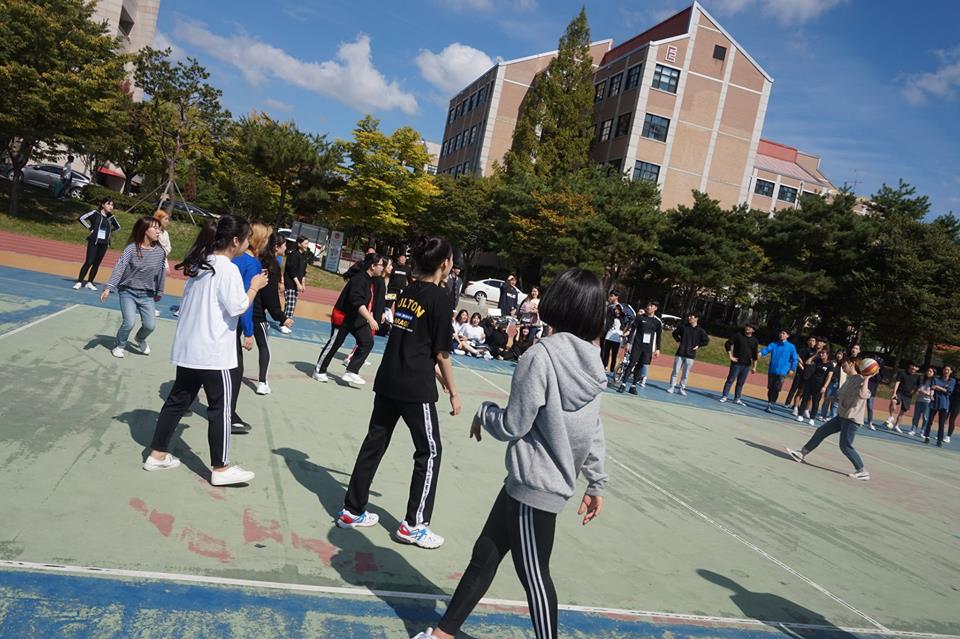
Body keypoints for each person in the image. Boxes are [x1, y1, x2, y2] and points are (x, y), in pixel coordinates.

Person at [409, 268, 607, 639]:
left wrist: (484, 413)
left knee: (534, 576)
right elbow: (594, 430)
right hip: (525, 483)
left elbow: (514, 424)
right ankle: (443, 634)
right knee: (484, 555)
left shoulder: (541, 356)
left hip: (536, 487)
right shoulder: (594, 363)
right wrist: (596, 482)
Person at [337, 236, 460, 550]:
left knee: (374, 443)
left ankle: (351, 510)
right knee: (429, 451)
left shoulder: (407, 292)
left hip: (389, 378)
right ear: (445, 264)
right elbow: (442, 353)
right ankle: (414, 525)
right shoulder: (441, 298)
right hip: (414, 386)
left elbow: (416, 343)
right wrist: (454, 391)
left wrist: (438, 375)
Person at [142, 216, 268, 486]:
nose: (247, 244)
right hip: (214, 352)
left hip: (190, 347)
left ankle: (157, 453)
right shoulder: (227, 269)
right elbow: (237, 307)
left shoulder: (202, 265)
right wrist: (254, 288)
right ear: (235, 241)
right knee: (220, 408)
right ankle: (221, 469)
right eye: (245, 239)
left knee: (177, 401)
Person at [787, 355, 874, 481]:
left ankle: (862, 470)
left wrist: (867, 378)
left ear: (852, 364)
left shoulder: (860, 379)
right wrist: (833, 398)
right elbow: (842, 394)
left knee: (845, 446)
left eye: (844, 364)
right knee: (821, 431)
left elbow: (863, 395)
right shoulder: (850, 379)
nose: (842, 366)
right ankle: (802, 453)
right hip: (841, 417)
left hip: (851, 419)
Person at [312, 252, 384, 385]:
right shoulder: (359, 279)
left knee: (367, 342)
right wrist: (370, 319)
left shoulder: (370, 280)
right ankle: (319, 370)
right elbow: (357, 302)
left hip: (357, 319)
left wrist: (375, 314)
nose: (382, 268)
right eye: (381, 265)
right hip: (343, 317)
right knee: (335, 344)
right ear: (373, 266)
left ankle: (351, 371)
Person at [99, 216, 166, 358]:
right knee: (129, 322)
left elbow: (161, 273)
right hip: (127, 292)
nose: (158, 231)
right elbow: (120, 268)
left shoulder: (160, 252)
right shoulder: (131, 249)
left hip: (147, 295)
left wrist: (159, 290)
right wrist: (108, 287)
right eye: (154, 228)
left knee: (150, 326)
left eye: (159, 228)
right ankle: (120, 345)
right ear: (144, 230)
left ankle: (140, 339)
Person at [230, 222, 270, 433]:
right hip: (233, 322)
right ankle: (229, 414)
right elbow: (246, 300)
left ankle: (181, 400)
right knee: (235, 371)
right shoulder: (252, 264)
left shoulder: (232, 257)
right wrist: (248, 331)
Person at [253, 233, 294, 395]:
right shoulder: (271, 266)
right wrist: (282, 317)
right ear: (276, 247)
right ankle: (262, 382)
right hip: (256, 312)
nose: (286, 248)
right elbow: (270, 297)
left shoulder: (258, 259)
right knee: (264, 346)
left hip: (242, 308)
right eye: (284, 245)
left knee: (233, 346)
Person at [73, 198, 121, 290]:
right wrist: (90, 228)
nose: (111, 207)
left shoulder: (111, 217)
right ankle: (79, 282)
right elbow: (81, 218)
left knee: (96, 263)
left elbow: (118, 227)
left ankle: (90, 282)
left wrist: (110, 231)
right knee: (89, 262)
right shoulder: (95, 213)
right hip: (93, 241)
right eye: (108, 204)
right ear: (103, 205)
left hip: (104, 243)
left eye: (112, 205)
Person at [617, 301, 662, 394]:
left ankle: (633, 386)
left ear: (655, 308)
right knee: (631, 364)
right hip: (637, 346)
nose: (649, 307)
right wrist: (629, 343)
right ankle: (623, 384)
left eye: (651, 306)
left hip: (647, 348)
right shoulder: (640, 317)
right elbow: (632, 330)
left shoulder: (657, 322)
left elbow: (658, 336)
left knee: (640, 366)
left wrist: (658, 349)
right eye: (648, 305)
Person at [667, 312, 709, 396]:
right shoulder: (683, 327)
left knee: (685, 373)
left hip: (690, 355)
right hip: (680, 353)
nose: (689, 318)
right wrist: (678, 341)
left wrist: (698, 346)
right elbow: (674, 333)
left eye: (691, 316)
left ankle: (682, 388)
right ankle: (672, 386)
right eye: (689, 316)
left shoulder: (700, 330)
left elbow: (706, 340)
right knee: (675, 371)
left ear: (696, 318)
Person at [759, 329, 799, 412]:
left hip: (782, 372)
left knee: (776, 388)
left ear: (787, 336)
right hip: (772, 370)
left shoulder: (791, 347)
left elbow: (795, 359)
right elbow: (766, 350)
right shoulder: (773, 344)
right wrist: (760, 353)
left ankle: (771, 404)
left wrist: (792, 369)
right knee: (770, 388)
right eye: (780, 333)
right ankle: (769, 402)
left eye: (783, 333)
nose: (781, 334)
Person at [719, 323, 759, 405]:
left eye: (750, 327)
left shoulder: (754, 340)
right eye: (747, 326)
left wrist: (754, 367)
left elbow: (755, 354)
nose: (747, 328)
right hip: (736, 363)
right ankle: (724, 396)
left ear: (753, 330)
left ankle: (737, 398)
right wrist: (730, 356)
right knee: (730, 380)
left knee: (741, 382)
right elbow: (728, 344)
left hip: (747, 365)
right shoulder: (738, 335)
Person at [797, 348, 832, 426]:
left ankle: (812, 418)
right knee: (805, 399)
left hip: (819, 386)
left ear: (827, 355)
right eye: (821, 353)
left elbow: (829, 377)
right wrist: (815, 356)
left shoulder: (830, 364)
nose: (821, 354)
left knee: (815, 402)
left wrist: (824, 387)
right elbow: (807, 362)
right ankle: (800, 415)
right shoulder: (816, 361)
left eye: (823, 353)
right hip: (810, 382)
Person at [281, 236, 309, 334]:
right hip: (290, 283)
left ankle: (285, 322)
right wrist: (298, 283)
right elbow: (291, 271)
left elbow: (304, 272)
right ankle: (284, 324)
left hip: (296, 285)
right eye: (305, 243)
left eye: (307, 243)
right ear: (299, 244)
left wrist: (303, 284)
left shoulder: (304, 256)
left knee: (292, 304)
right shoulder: (293, 255)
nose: (307, 245)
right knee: (290, 304)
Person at [883, 362, 920, 433]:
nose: (914, 367)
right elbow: (897, 382)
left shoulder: (918, 377)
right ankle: (891, 416)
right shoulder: (903, 373)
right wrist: (894, 393)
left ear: (917, 369)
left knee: (902, 412)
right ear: (910, 365)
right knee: (893, 401)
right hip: (900, 393)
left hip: (908, 396)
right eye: (913, 365)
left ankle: (897, 426)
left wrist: (914, 393)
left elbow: (918, 386)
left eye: (916, 366)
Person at [924, 365, 955, 446]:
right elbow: (932, 388)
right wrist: (931, 395)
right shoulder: (936, 379)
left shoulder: (952, 381)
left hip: (944, 404)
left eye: (948, 370)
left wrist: (938, 387)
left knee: (941, 423)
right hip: (934, 402)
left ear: (951, 371)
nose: (946, 371)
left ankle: (939, 440)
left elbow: (948, 392)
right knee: (929, 421)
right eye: (945, 369)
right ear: (943, 370)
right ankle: (927, 436)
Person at [787, 336, 817, 412]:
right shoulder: (803, 350)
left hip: (808, 374)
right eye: (810, 340)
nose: (811, 342)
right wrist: (802, 366)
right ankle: (787, 403)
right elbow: (797, 358)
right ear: (807, 341)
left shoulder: (815, 352)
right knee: (794, 387)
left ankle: (796, 405)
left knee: (803, 391)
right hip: (800, 372)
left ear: (815, 342)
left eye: (813, 341)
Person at [153, 210, 174, 317]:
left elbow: (168, 248)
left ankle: (150, 306)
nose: (167, 221)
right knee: (151, 284)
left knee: (158, 286)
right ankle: (149, 307)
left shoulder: (165, 233)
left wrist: (166, 265)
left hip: (162, 262)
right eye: (165, 219)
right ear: (159, 219)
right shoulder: (153, 231)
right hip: (152, 262)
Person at [907, 366, 937, 437]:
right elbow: (918, 389)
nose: (929, 372)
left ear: (933, 373)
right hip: (919, 400)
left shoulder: (934, 382)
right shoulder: (922, 380)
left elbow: (931, 394)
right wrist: (918, 391)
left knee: (925, 417)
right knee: (916, 416)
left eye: (931, 371)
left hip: (927, 402)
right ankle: (913, 430)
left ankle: (922, 431)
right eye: (928, 371)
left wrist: (923, 391)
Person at [818, 350, 846, 421]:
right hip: (831, 382)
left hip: (840, 384)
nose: (839, 355)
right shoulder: (832, 362)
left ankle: (832, 416)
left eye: (841, 354)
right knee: (827, 398)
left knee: (835, 401)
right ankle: (822, 414)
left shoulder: (845, 364)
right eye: (838, 353)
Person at [600, 305, 624, 375]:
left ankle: (612, 370)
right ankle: (604, 366)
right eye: (616, 309)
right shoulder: (610, 317)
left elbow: (624, 327)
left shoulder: (622, 319)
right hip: (608, 337)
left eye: (618, 309)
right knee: (606, 354)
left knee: (614, 355)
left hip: (617, 339)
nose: (616, 311)